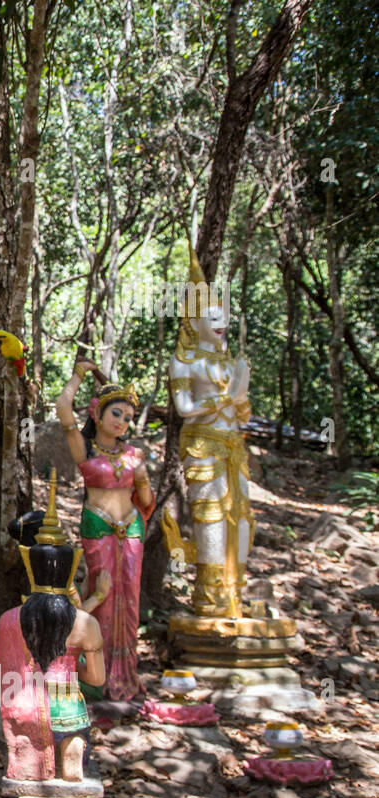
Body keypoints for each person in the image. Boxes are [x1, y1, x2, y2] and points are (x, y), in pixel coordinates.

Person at [55, 361, 154, 701]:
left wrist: (141, 481)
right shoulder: (83, 447)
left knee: (129, 601)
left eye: (128, 417)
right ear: (97, 412)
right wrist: (79, 374)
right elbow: (62, 408)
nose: (122, 422)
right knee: (104, 593)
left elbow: (145, 498)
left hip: (132, 530)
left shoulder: (133, 454)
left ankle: (125, 674)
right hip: (98, 526)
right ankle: (95, 673)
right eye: (117, 413)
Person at [166, 248, 253, 617]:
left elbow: (243, 414)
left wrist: (239, 398)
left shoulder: (231, 362)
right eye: (213, 316)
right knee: (211, 517)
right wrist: (221, 402)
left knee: (243, 519)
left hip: (233, 448)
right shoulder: (185, 361)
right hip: (203, 448)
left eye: (224, 316)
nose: (222, 323)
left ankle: (234, 591)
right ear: (194, 318)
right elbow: (185, 409)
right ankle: (209, 596)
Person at [0, 502, 105, 783]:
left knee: (32, 781)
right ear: (70, 566)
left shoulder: (9, 619)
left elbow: (3, 677)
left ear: (31, 566)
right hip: (69, 714)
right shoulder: (85, 623)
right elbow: (96, 678)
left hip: (26, 713)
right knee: (73, 777)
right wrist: (71, 666)